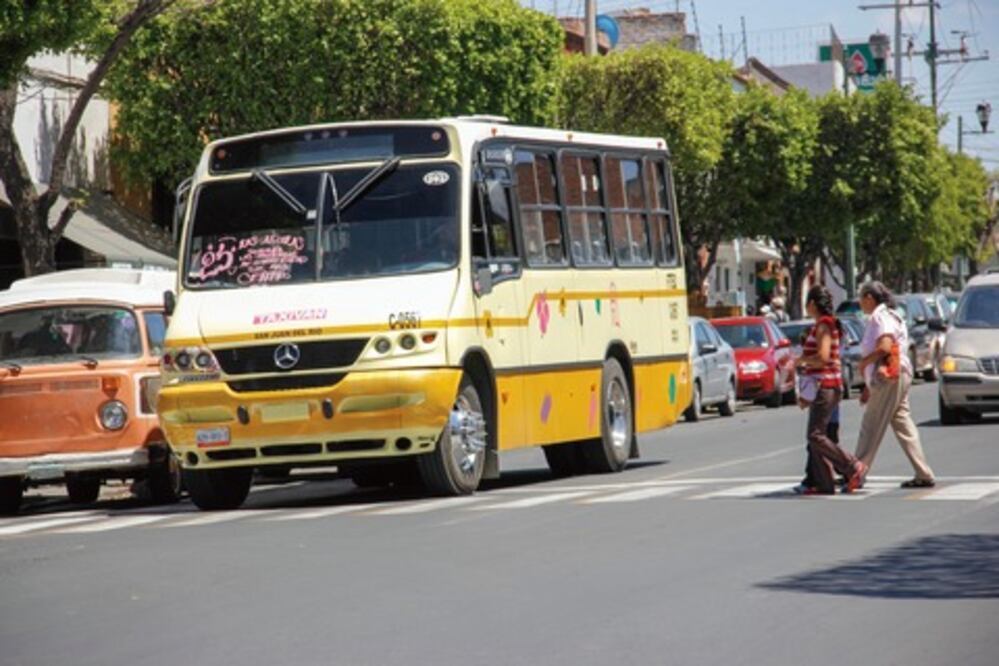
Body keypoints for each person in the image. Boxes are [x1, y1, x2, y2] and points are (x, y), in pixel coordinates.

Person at [854, 281, 935, 488]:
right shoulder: (890, 315)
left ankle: (856, 471)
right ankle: (923, 472)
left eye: (861, 298)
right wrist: (867, 387)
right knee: (903, 424)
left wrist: (864, 363)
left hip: (889, 376)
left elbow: (885, 346)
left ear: (870, 298)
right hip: (896, 375)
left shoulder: (881, 317)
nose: (860, 303)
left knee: (871, 424)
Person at [794, 285, 866, 495]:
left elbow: (824, 357)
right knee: (819, 435)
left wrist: (801, 359)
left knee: (816, 435)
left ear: (813, 304)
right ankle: (823, 484)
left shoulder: (824, 325)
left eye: (807, 303)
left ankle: (852, 466)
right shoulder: (824, 325)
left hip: (825, 385)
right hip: (826, 384)